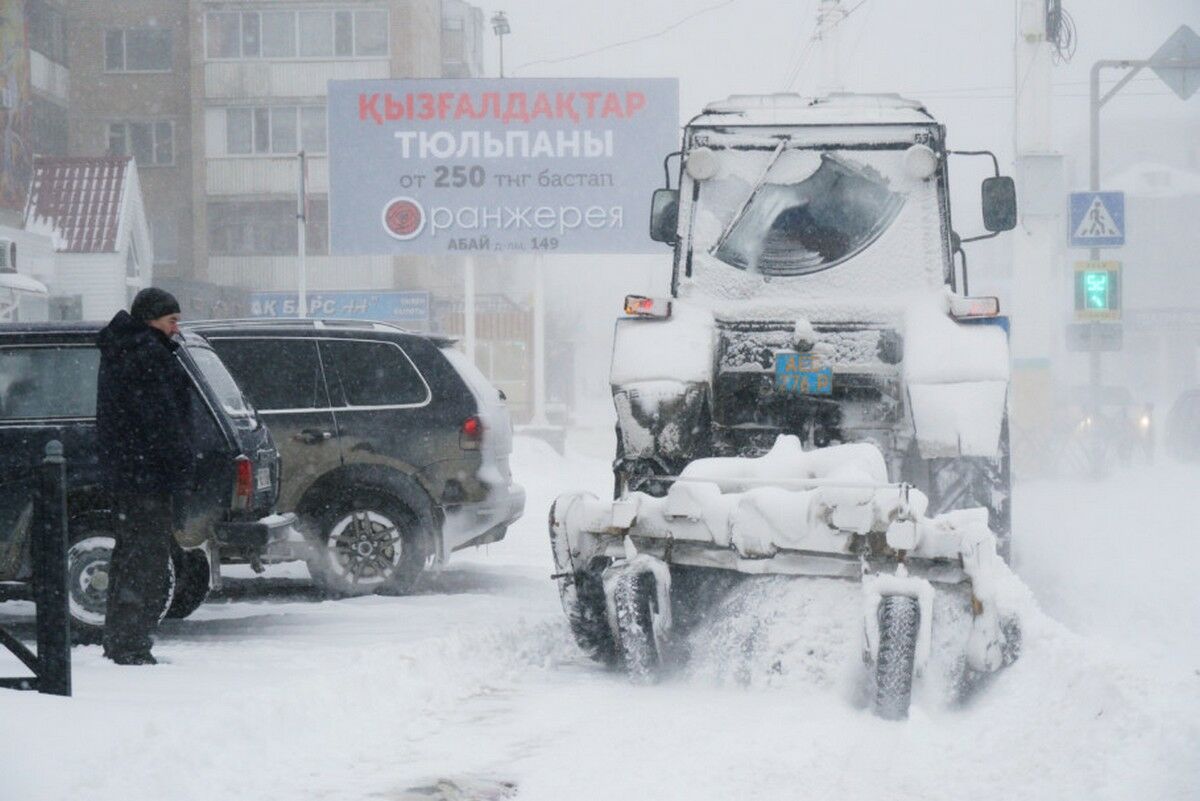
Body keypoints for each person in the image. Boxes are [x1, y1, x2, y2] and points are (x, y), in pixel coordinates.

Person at [95, 288, 195, 665]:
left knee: (130, 556)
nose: (176, 329)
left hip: (129, 474)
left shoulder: (124, 350)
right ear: (152, 319)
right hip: (147, 477)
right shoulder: (146, 355)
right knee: (145, 561)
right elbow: (162, 422)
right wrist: (181, 462)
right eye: (171, 321)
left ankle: (121, 638)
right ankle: (131, 645)